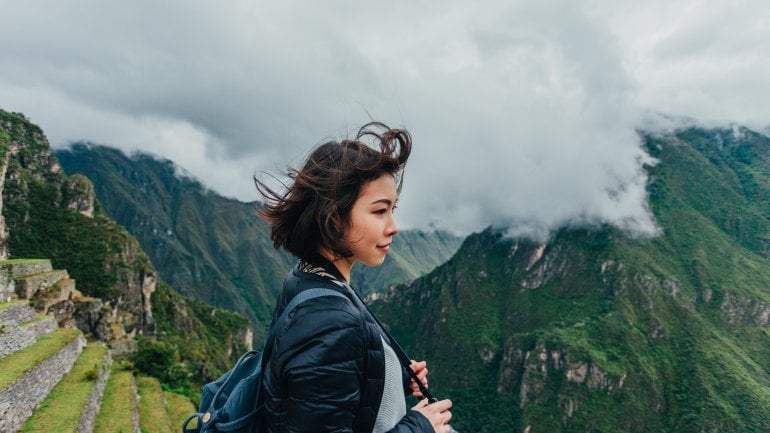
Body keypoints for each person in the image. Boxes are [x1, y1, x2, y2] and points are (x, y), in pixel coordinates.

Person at [254, 122, 454, 433]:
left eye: (393, 209)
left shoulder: (308, 278)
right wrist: (420, 426)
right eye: (379, 211)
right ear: (333, 218)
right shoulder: (328, 321)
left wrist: (390, 374)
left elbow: (328, 383)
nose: (393, 226)